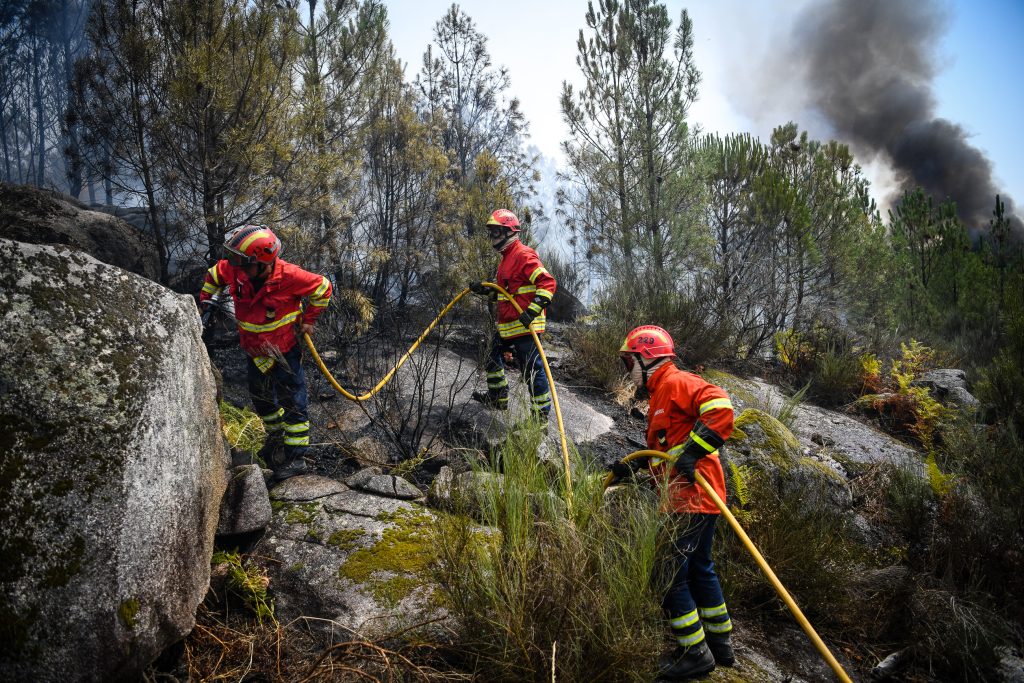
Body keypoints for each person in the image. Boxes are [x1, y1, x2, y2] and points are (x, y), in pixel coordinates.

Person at [608, 325, 736, 680]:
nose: (627, 370)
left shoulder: (676, 382)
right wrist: (632, 471)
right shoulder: (661, 395)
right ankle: (720, 644)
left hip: (692, 496)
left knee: (666, 573)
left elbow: (722, 406)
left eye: (628, 361)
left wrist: (694, 452)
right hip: (691, 496)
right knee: (699, 567)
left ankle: (694, 653)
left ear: (647, 357)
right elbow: (665, 455)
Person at [199, 225, 332, 481]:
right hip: (255, 351)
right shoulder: (236, 269)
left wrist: (310, 320)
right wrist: (207, 300)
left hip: (284, 352)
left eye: (242, 262)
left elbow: (323, 288)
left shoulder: (291, 276)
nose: (235, 267)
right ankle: (275, 437)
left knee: (292, 400)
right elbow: (215, 274)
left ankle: (296, 457)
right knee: (261, 398)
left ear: (263, 263)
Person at [468, 209, 557, 423]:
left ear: (509, 232)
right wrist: (485, 290)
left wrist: (532, 311)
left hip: (526, 327)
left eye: (496, 232)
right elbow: (506, 294)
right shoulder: (507, 258)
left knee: (532, 371)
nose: (492, 237)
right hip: (510, 326)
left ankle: (540, 417)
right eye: (491, 232)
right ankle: (498, 397)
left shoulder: (523, 254)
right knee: (491, 352)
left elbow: (547, 283)